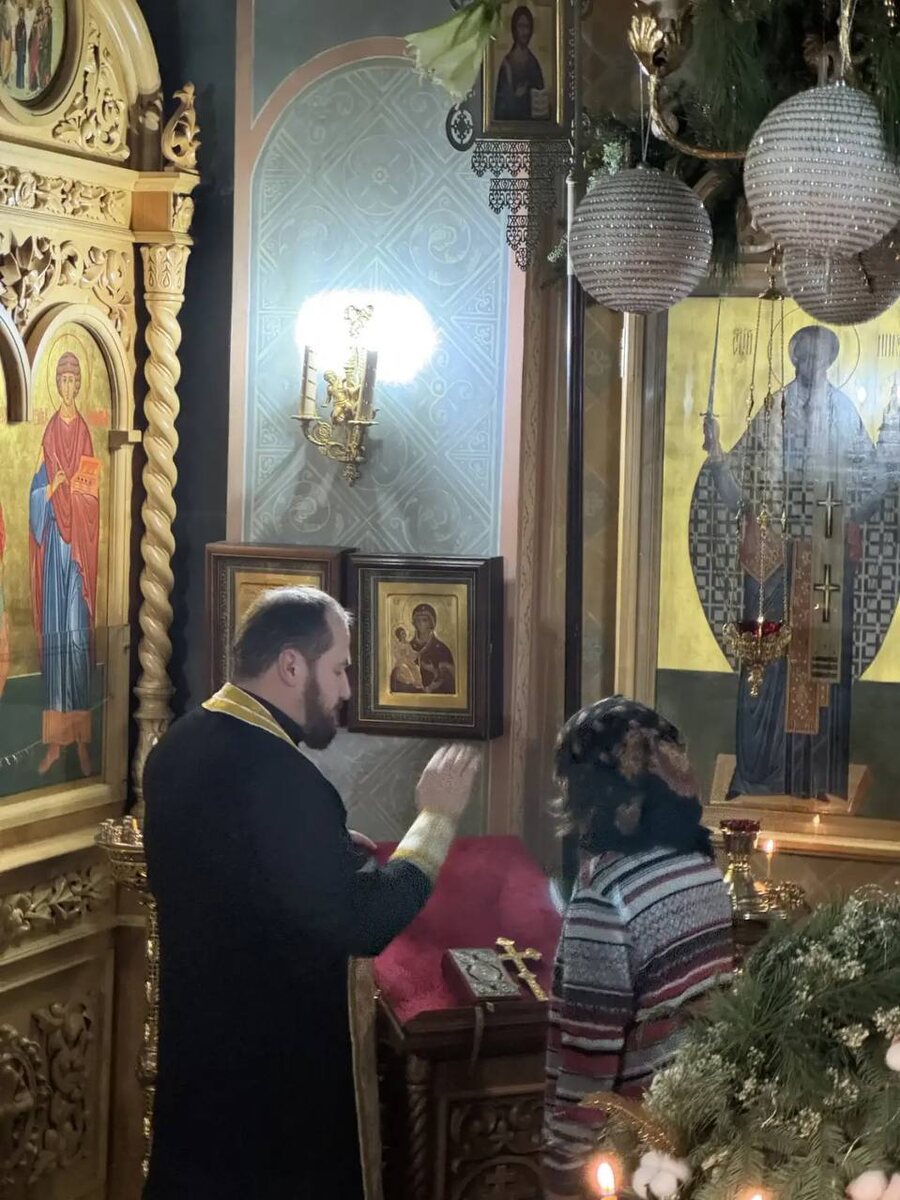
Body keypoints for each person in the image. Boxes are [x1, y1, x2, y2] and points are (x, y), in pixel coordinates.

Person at [142, 586, 480, 1199]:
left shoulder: (177, 748)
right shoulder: (288, 782)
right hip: (273, 1090)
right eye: (340, 668)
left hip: (198, 1066)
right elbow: (365, 922)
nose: (347, 689)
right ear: (292, 665)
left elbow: (237, 866)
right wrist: (436, 818)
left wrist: (321, 846)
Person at [693, 324, 900, 801]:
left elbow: (872, 484)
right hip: (771, 556)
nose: (811, 365)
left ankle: (814, 778)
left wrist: (877, 476)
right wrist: (717, 452)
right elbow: (736, 491)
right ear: (793, 360)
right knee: (764, 660)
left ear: (830, 361)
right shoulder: (772, 411)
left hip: (824, 557)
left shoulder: (844, 412)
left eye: (819, 356)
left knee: (819, 666)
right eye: (803, 356)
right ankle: (759, 775)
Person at [542, 697, 734, 1199]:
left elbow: (589, 1058)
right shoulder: (701, 871)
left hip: (627, 1158)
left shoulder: (606, 895)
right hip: (697, 1134)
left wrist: (563, 1170)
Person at [29, 351, 99, 778]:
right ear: (56, 385)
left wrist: (72, 492)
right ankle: (57, 742)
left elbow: (92, 496)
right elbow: (36, 493)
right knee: (57, 641)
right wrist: (51, 488)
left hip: (76, 557)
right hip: (54, 546)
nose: (69, 388)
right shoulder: (51, 431)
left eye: (74, 381)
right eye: (63, 381)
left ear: (80, 385)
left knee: (75, 640)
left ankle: (83, 740)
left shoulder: (85, 434)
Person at [493, 5, 547, 122]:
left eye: (527, 27)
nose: (525, 32)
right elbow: (500, 108)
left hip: (533, 127)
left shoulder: (534, 63)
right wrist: (516, 97)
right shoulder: (507, 65)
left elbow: (541, 100)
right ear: (514, 29)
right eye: (521, 26)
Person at [410, 602, 455, 694]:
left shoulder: (442, 649)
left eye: (424, 620)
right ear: (414, 623)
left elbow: (450, 679)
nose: (420, 623)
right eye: (417, 620)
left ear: (431, 623)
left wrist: (433, 685)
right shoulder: (408, 647)